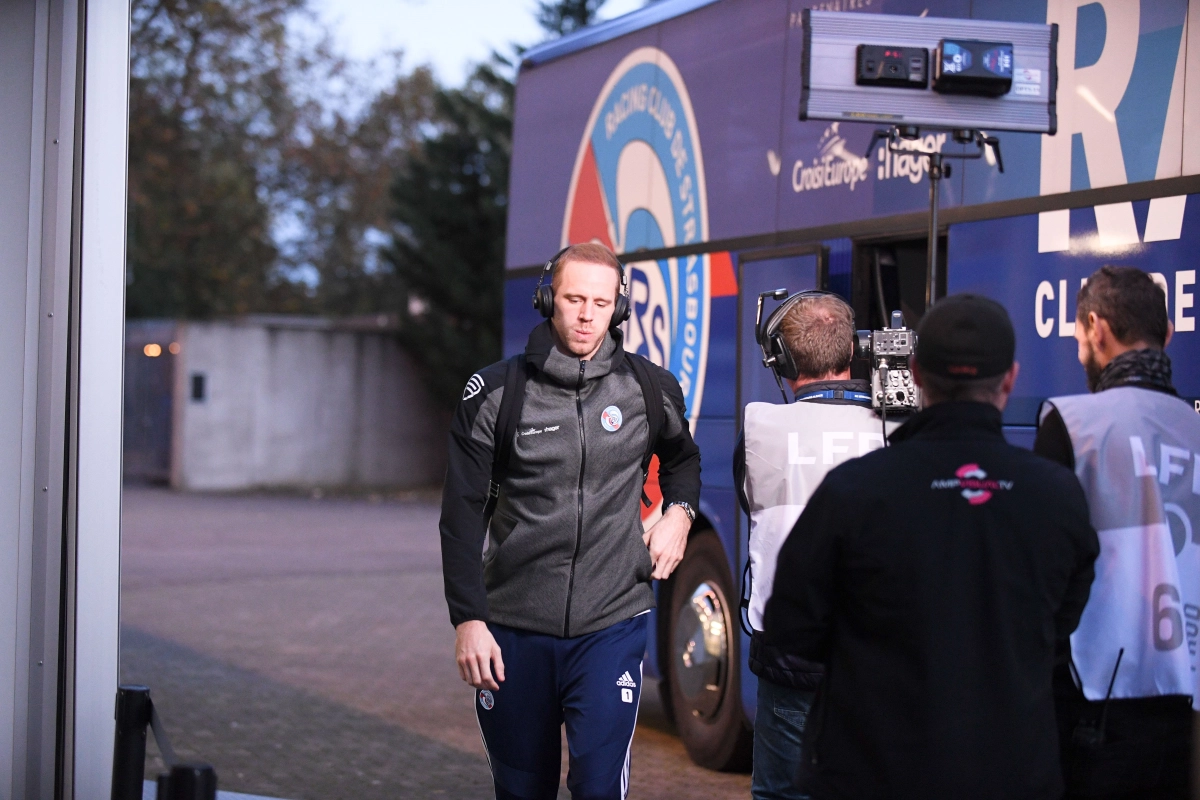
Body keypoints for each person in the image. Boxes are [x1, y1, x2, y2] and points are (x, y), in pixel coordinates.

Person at [763, 293, 1100, 800]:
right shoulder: (1057, 495)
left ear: (916, 374)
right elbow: (1063, 623)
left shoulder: (853, 490)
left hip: (873, 771)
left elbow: (791, 627)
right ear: (1009, 379)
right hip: (1013, 772)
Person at [439, 242, 701, 800]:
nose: (586, 315)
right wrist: (468, 620)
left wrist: (680, 513)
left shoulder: (651, 389)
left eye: (601, 303)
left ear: (619, 309)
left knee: (599, 788)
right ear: (547, 300)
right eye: (574, 299)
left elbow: (683, 460)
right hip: (513, 631)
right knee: (522, 790)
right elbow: (461, 515)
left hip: (612, 622)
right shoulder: (495, 396)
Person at [1035, 265, 1197, 800]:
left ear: (1097, 329)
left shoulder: (1072, 422)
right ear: (1168, 335)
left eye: (1080, 335)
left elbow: (1044, 572)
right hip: (1186, 701)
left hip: (1092, 695)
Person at [733, 291, 894, 800]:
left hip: (792, 651)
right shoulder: (901, 429)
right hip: (879, 653)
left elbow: (749, 499)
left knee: (784, 792)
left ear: (780, 360)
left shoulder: (761, 427)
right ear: (857, 351)